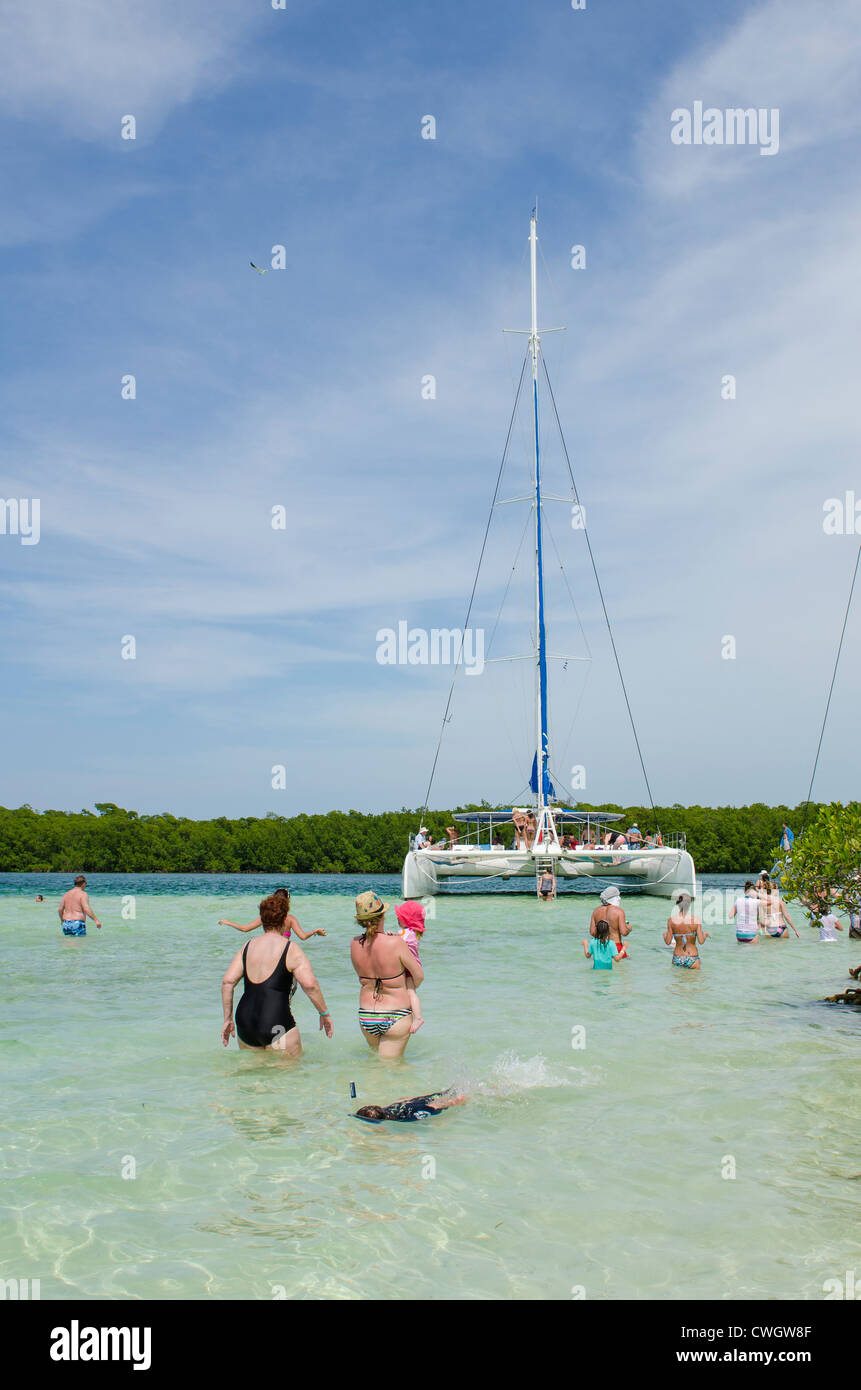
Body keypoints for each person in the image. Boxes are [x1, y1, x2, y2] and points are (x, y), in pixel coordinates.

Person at [221, 893, 333, 1055]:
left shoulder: (247, 946)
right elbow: (309, 985)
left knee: (253, 1075)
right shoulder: (290, 948)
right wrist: (324, 1013)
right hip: (276, 1023)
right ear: (284, 918)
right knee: (287, 1076)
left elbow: (227, 982)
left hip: (246, 1023)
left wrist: (227, 1019)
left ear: (262, 919)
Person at [350, 891, 423, 1058]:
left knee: (376, 1066)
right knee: (391, 1070)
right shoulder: (396, 943)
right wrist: (408, 988)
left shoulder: (354, 944)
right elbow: (418, 975)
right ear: (382, 915)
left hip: (366, 1015)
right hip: (396, 1014)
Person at [218, 886, 325, 942]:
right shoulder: (290, 919)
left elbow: (245, 929)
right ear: (287, 901)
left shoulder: (266, 916)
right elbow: (303, 937)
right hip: (284, 952)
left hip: (268, 950)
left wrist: (228, 922)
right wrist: (315, 931)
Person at [394, 900, 427, 1033]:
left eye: (400, 917)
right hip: (414, 964)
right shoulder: (415, 933)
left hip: (409, 967)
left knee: (410, 992)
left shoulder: (404, 933)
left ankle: (418, 1018)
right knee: (410, 991)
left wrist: (389, 936)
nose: (397, 918)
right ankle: (413, 1014)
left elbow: (394, 943)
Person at [353, 1089, 467, 1124]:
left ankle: (462, 1098)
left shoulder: (400, 1119)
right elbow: (402, 1100)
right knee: (442, 1094)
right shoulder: (386, 1109)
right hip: (410, 1103)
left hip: (416, 1110)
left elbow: (431, 1109)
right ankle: (458, 1091)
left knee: (437, 1106)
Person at [663, 891, 709, 968]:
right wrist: (705, 935)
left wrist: (665, 935)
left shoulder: (671, 921)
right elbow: (701, 941)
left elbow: (668, 942)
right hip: (692, 957)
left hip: (677, 958)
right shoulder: (696, 920)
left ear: (678, 904)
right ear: (689, 904)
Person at [589, 886, 631, 958]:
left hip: (600, 948)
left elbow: (592, 933)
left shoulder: (596, 911)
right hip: (616, 946)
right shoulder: (619, 911)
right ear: (615, 898)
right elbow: (624, 933)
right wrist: (629, 928)